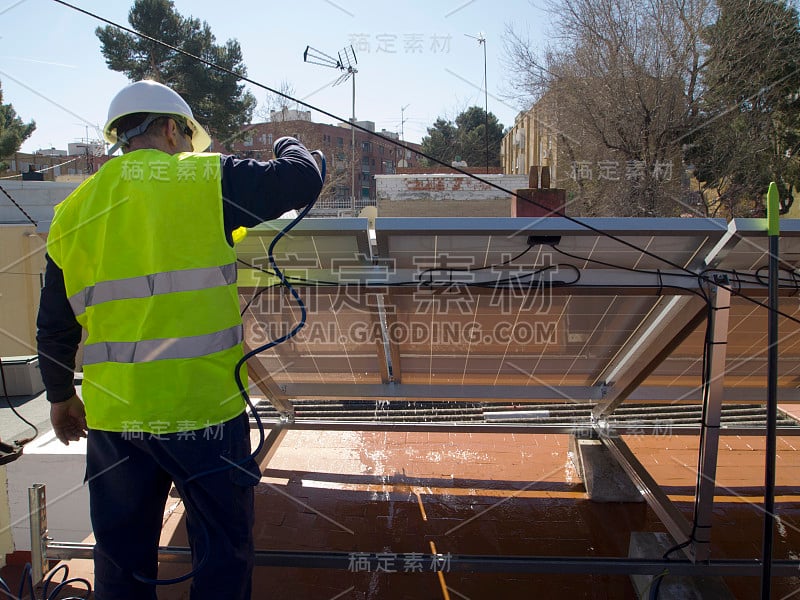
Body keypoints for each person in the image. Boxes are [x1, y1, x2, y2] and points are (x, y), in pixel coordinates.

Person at [36, 79, 322, 599]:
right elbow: (302, 179)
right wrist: (289, 144)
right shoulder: (206, 180)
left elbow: (54, 325)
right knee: (221, 555)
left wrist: (59, 397)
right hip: (203, 413)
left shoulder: (72, 211)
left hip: (115, 422)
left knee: (121, 561)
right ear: (172, 129)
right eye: (188, 139)